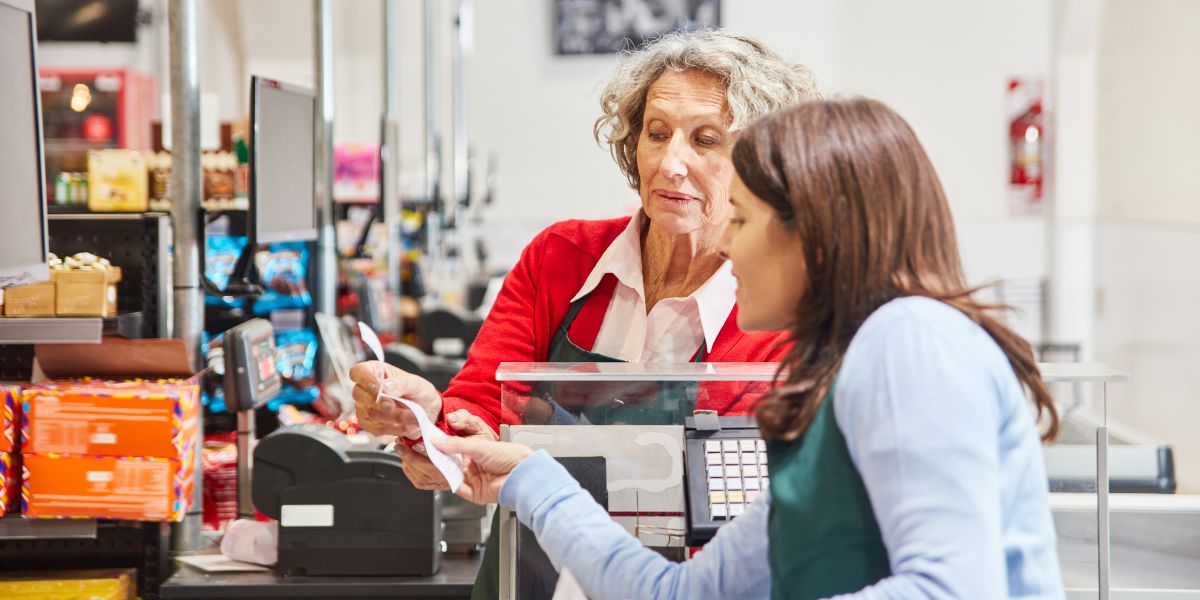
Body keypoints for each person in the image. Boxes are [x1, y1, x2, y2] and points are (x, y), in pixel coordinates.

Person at [433, 98, 1066, 599]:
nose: (727, 246)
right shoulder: (840, 384)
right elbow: (676, 594)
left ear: (812, 237)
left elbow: (950, 589)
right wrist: (530, 478)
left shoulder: (910, 340)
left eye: (740, 218)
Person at [349, 28, 821, 598]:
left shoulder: (778, 311)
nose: (671, 162)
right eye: (656, 133)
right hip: (532, 576)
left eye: (706, 140)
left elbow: (748, 511)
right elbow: (479, 407)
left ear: (761, 166)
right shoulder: (560, 258)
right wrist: (427, 422)